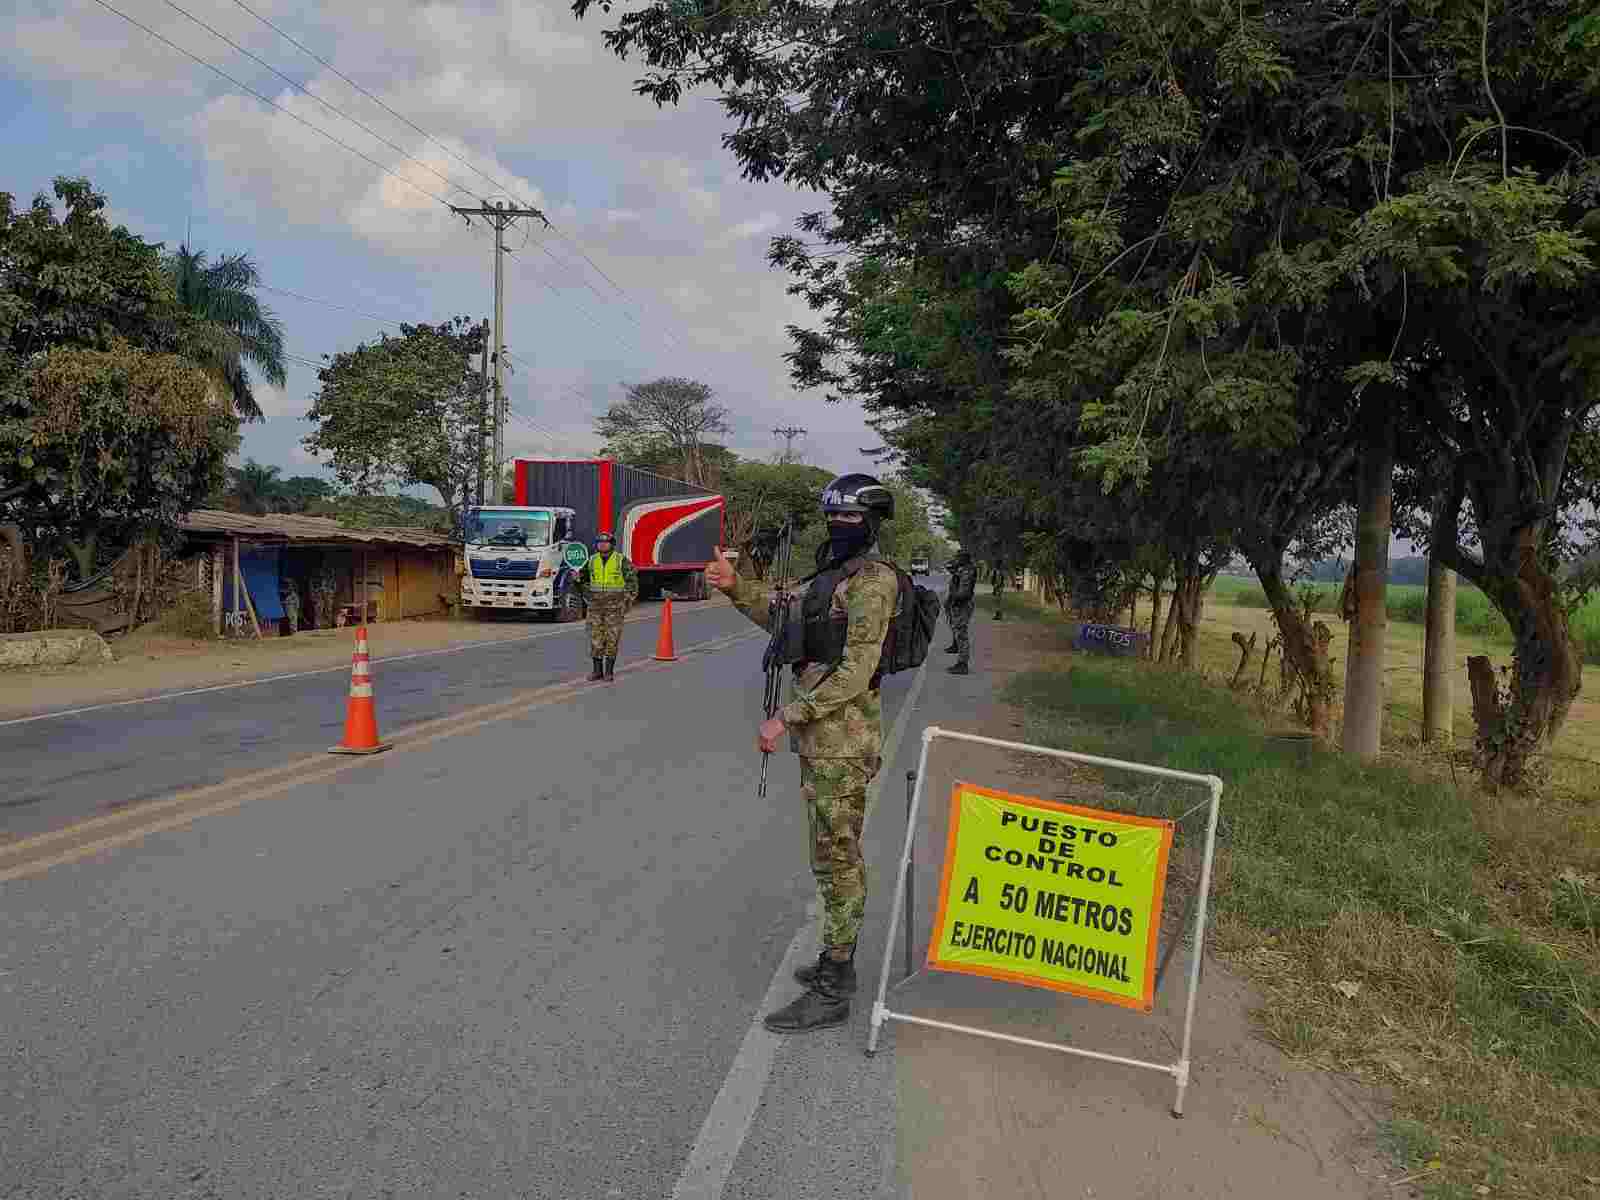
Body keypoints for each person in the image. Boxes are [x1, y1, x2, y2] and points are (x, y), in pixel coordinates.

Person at [705, 473, 900, 1034]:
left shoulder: (873, 581)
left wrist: (786, 716)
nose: (840, 526)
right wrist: (734, 584)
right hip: (822, 745)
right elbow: (783, 616)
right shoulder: (831, 577)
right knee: (826, 856)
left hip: (844, 745)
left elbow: (856, 671)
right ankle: (834, 961)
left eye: (850, 519)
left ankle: (836, 985)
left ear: (871, 523)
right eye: (833, 517)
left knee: (838, 859)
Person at [576, 530, 637, 682]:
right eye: (600, 542)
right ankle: (597, 671)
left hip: (615, 607)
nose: (602, 545)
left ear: (612, 545)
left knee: (612, 638)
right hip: (595, 607)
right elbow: (582, 579)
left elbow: (632, 583)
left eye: (606, 542)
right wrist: (579, 583)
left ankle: (609, 672)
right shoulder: (591, 560)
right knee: (595, 639)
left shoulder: (621, 560)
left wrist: (627, 603)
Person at [943, 548, 977, 674]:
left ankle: (962, 664)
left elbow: (964, 592)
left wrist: (955, 601)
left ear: (965, 559)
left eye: (959, 557)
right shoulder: (962, 569)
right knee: (959, 632)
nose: (957, 560)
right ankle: (961, 661)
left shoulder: (967, 570)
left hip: (962, 604)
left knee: (961, 634)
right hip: (960, 603)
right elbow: (948, 566)